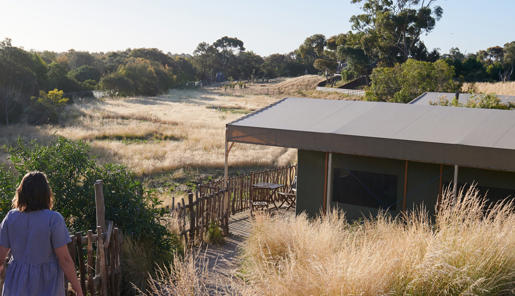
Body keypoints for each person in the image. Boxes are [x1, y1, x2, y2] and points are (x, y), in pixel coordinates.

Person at [0, 171, 83, 296]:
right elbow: (65, 260)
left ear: (21, 192)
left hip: (16, 285)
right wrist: (79, 290)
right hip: (48, 285)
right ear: (46, 193)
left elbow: (0, 257)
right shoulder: (53, 219)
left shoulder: (11, 217)